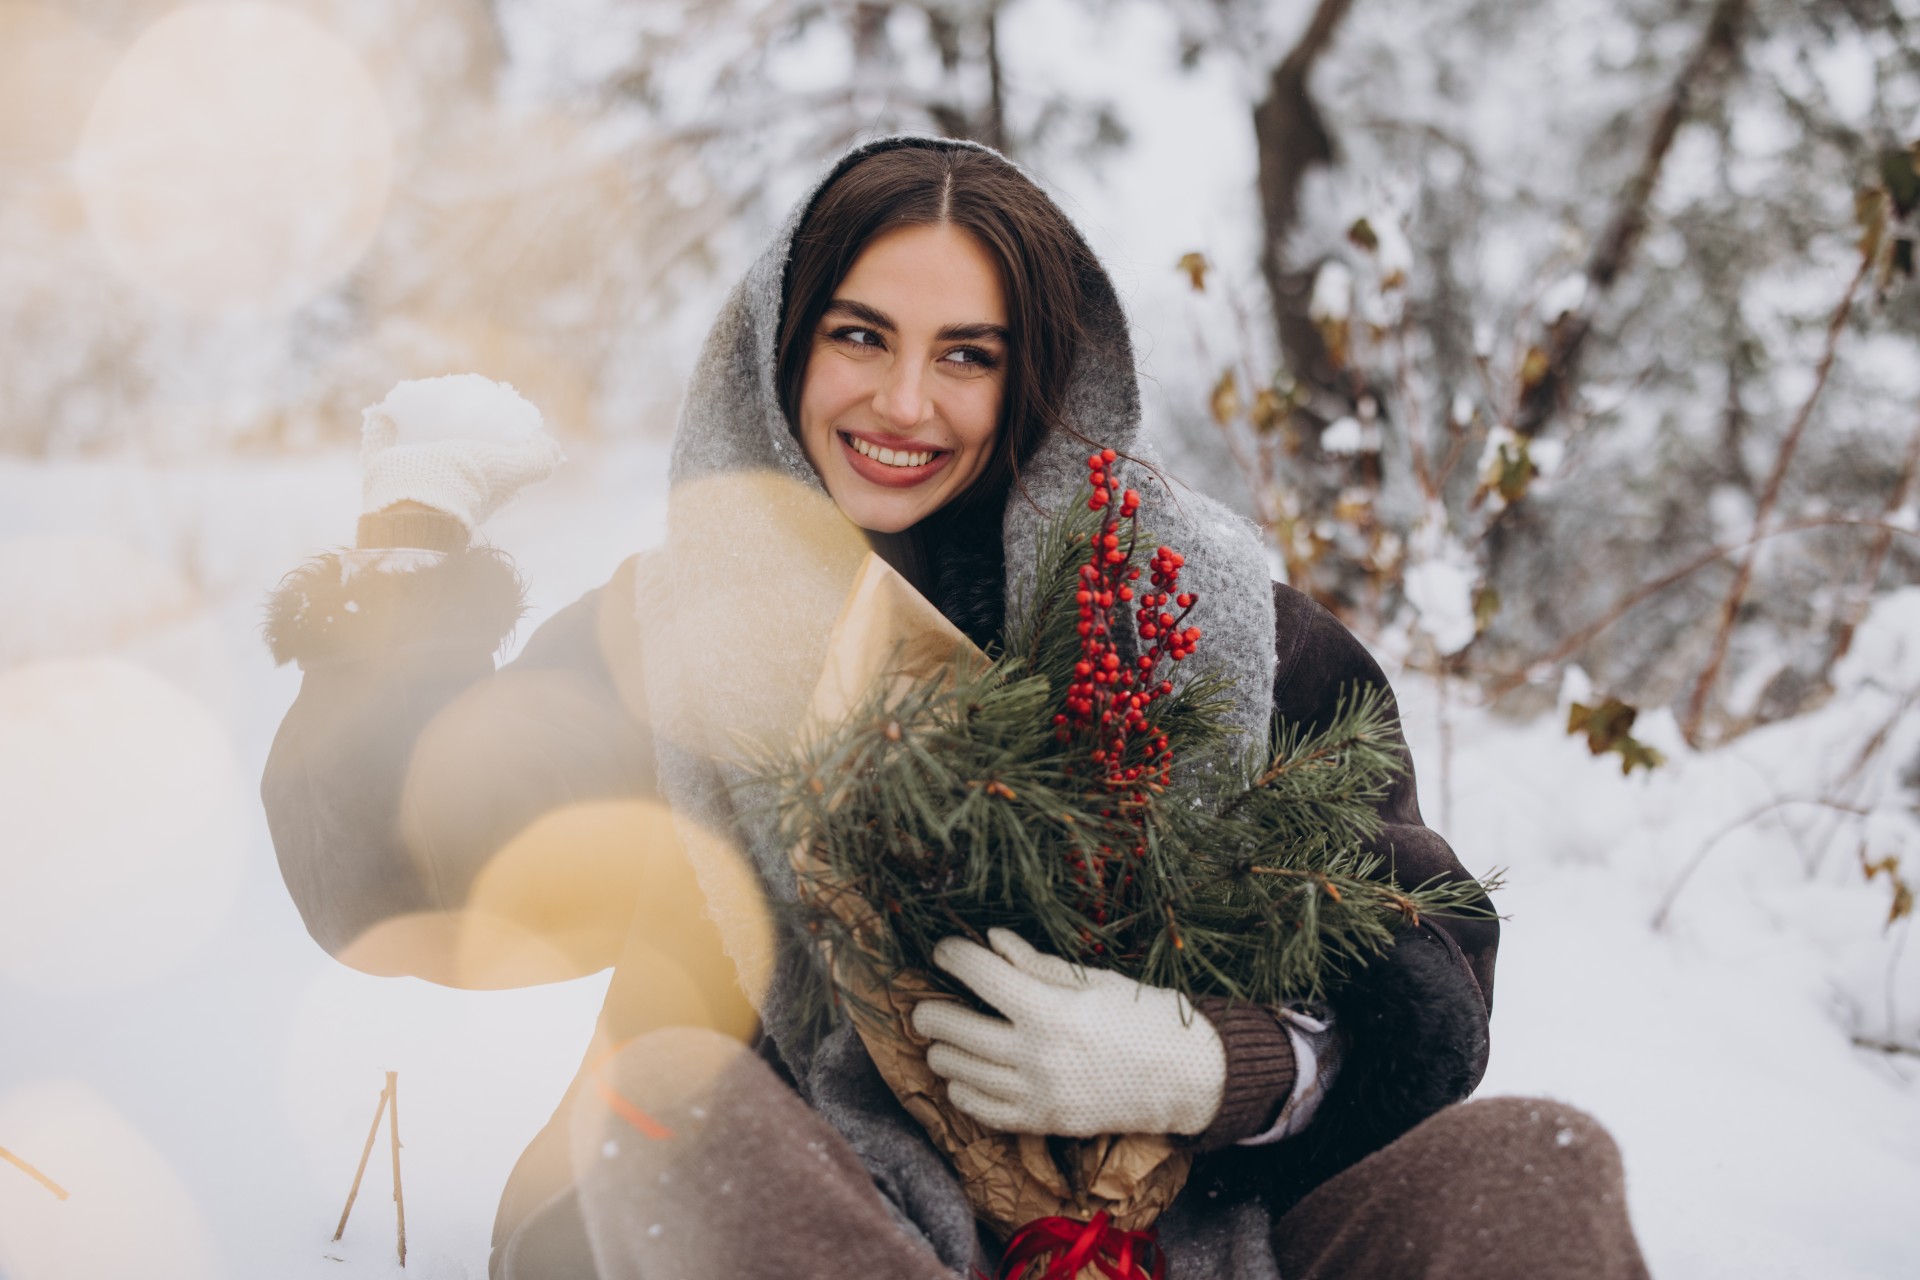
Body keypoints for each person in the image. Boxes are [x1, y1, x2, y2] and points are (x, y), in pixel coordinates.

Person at [262, 134, 1650, 1279]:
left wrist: (1199, 1068)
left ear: (1039, 369)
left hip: (1186, 1240)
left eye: (967, 353)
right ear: (782, 349)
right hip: (798, 1219)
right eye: (861, 336)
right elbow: (402, 879)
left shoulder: (1207, 623)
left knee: (1539, 1169)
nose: (904, 401)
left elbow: (1424, 969)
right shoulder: (672, 634)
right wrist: (406, 552)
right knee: (675, 1107)